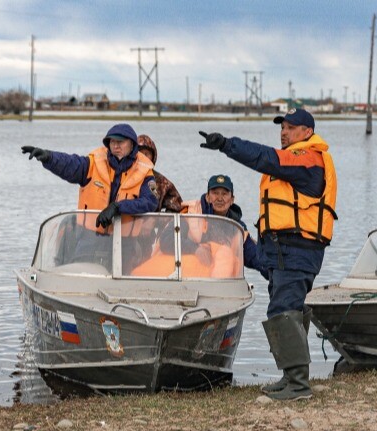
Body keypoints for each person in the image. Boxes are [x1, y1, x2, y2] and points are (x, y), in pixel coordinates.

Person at [199, 108, 337, 400]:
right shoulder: (295, 158)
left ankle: (298, 384)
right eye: (282, 127)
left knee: (283, 310)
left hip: (298, 250)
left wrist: (226, 144)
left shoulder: (308, 158)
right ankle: (291, 376)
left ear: (307, 132)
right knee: (289, 309)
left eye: (290, 127)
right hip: (282, 250)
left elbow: (265, 158)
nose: (284, 132)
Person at [21, 123, 158, 231]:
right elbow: (70, 164)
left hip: (127, 241)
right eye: (112, 141)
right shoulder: (93, 164)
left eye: (121, 142)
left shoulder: (144, 171)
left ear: (132, 144)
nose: (116, 145)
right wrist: (49, 157)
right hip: (90, 236)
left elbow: (150, 202)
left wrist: (118, 207)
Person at [181, 174, 268, 279]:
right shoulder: (191, 213)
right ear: (208, 197)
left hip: (220, 288)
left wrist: (276, 273)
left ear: (232, 199)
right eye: (215, 193)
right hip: (185, 281)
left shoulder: (237, 228)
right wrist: (195, 249)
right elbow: (166, 240)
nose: (220, 198)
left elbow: (255, 257)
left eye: (224, 194)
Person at [137, 134, 183, 213]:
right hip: (126, 223)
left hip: (152, 224)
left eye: (146, 154)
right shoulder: (124, 176)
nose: (143, 157)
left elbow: (177, 205)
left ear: (153, 156)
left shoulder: (161, 182)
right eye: (140, 154)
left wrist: (164, 221)